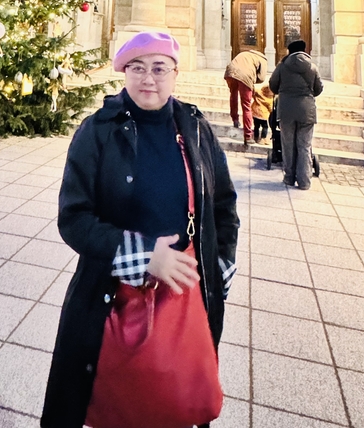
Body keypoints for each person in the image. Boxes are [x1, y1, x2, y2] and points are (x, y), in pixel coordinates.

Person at [41, 31, 240, 428]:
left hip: (185, 290)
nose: (148, 78)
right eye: (137, 67)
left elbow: (223, 206)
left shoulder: (196, 127)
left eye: (159, 68)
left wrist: (217, 267)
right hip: (112, 292)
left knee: (178, 397)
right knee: (113, 400)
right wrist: (144, 256)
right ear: (124, 73)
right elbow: (74, 217)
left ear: (175, 74)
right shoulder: (97, 130)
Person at [269, 39, 323, 190]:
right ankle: (305, 181)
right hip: (307, 111)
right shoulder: (312, 67)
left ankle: (289, 178)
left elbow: (273, 85)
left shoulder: (282, 66)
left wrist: (284, 91)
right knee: (305, 146)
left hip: (286, 110)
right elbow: (318, 88)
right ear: (304, 50)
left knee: (288, 145)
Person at [224, 49, 268, 144]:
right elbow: (262, 78)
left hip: (230, 73)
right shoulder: (263, 59)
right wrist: (252, 82)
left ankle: (235, 119)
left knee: (233, 96)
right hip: (245, 77)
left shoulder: (244, 53)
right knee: (246, 106)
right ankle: (248, 136)